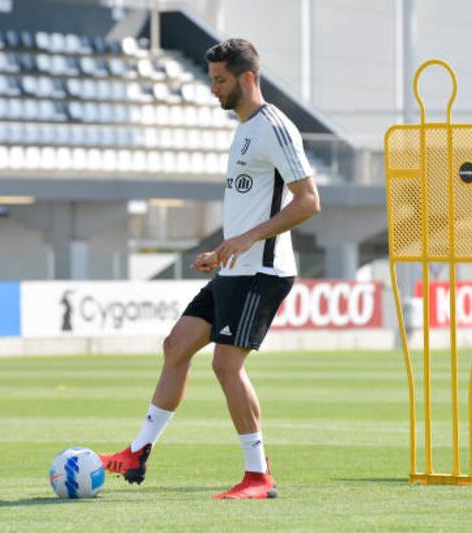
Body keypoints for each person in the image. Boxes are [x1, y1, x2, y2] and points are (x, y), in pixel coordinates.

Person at [99, 38, 321, 499]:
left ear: (248, 78)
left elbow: (308, 202)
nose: (213, 89)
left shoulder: (275, 128)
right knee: (176, 346)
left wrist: (244, 241)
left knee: (225, 365)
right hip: (235, 267)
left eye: (220, 80)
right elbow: (253, 208)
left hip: (264, 271)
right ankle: (138, 451)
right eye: (211, 80)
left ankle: (258, 476)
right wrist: (223, 250)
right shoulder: (242, 130)